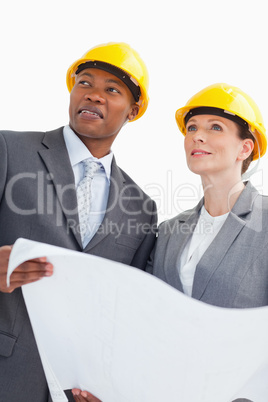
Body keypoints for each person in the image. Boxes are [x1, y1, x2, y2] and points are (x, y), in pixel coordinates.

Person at [0, 42, 157, 402]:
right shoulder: (9, 150)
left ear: (133, 110)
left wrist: (111, 382)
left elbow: (124, 312)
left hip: (75, 391)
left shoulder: (141, 208)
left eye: (111, 90)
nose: (94, 96)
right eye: (84, 83)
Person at [147, 82, 268, 309]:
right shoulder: (167, 232)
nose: (197, 136)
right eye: (192, 127)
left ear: (245, 149)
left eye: (215, 127)